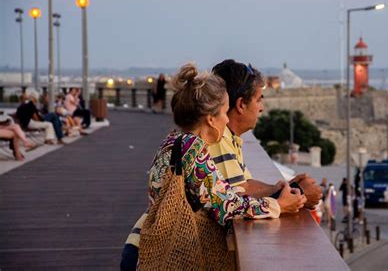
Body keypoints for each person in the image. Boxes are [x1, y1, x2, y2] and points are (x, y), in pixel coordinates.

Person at [120, 63, 306, 270]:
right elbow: (226, 206)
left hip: (143, 245)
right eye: (225, 112)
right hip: (162, 254)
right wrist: (277, 206)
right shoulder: (194, 150)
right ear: (210, 119)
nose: (227, 120)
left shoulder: (173, 140)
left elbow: (216, 195)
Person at [210, 59, 322, 206]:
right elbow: (238, 199)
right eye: (258, 101)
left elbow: (246, 185)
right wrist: (300, 193)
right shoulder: (218, 138)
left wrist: (285, 188)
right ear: (241, 104)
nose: (261, 108)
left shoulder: (230, 136)